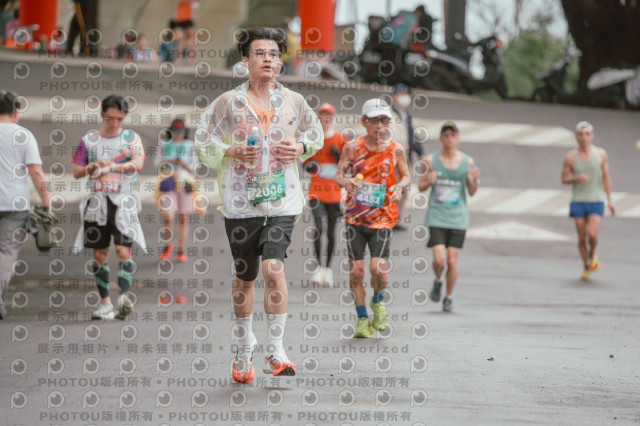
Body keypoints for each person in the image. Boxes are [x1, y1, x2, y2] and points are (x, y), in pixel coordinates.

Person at [196, 27, 322, 383]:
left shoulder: (295, 101)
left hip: (283, 202)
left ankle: (276, 350)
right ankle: (243, 346)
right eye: (260, 53)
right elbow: (203, 141)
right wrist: (231, 151)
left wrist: (300, 147)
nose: (268, 59)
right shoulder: (228, 103)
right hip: (241, 204)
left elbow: (315, 133)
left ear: (280, 62)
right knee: (245, 280)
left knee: (273, 269)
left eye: (273, 54)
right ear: (245, 61)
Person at [334, 99, 410, 338]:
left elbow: (406, 175)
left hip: (383, 218)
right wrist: (346, 182)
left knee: (378, 268)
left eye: (384, 120)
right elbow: (338, 175)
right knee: (356, 272)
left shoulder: (396, 149)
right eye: (375, 120)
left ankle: (378, 300)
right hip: (355, 219)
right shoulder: (352, 148)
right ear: (364, 122)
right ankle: (362, 319)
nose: (380, 125)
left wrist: (400, 186)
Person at [71, 95, 147, 320]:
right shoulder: (89, 140)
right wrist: (93, 167)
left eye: (119, 119)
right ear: (102, 114)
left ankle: (123, 298)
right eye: (110, 118)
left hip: (123, 202)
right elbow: (77, 171)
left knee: (123, 251)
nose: (114, 123)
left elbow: (138, 163)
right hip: (97, 203)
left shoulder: (131, 138)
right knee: (100, 253)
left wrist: (112, 166)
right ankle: (105, 303)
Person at [0, 90, 51, 319]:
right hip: (14, 205)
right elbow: (36, 172)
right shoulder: (24, 135)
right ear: (16, 112)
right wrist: (47, 204)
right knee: (5, 253)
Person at [418, 121, 479, 312]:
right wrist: (429, 180)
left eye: (453, 135)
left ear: (457, 138)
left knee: (452, 260)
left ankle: (449, 296)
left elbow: (472, 192)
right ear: (441, 138)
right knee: (439, 260)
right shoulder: (430, 160)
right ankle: (438, 279)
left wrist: (474, 180)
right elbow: (420, 186)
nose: (449, 138)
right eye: (446, 135)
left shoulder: (468, 162)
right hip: (437, 215)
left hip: (458, 217)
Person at [561, 121, 615, 281]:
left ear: (592, 136)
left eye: (587, 134)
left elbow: (606, 177)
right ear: (576, 137)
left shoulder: (601, 154)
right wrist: (576, 178)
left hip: (596, 200)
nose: (584, 137)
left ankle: (592, 255)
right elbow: (564, 178)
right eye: (580, 134)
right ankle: (586, 267)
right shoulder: (570, 157)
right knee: (581, 237)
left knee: (592, 234)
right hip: (578, 200)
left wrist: (609, 199)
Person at [303, 103, 346, 285]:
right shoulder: (313, 139)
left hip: (334, 193)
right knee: (319, 227)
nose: (325, 119)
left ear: (332, 118)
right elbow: (305, 162)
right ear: (318, 118)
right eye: (322, 116)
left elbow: (348, 164)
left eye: (328, 116)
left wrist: (338, 157)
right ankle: (318, 267)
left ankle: (328, 269)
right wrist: (309, 165)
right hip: (316, 192)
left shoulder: (340, 138)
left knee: (330, 231)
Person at [156, 118, 200, 262]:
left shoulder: (189, 144)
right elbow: (157, 163)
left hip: (185, 182)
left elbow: (195, 166)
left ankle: (181, 249)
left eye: (181, 131)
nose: (178, 134)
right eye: (176, 131)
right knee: (168, 215)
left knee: (183, 217)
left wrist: (182, 164)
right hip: (168, 182)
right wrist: (169, 163)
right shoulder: (164, 144)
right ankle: (168, 245)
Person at [390, 83, 426, 230]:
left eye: (406, 94)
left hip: (405, 158)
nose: (405, 97)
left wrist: (421, 153)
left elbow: (412, 135)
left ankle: (395, 219)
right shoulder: (388, 115)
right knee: (392, 188)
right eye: (401, 94)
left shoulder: (405, 114)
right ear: (394, 96)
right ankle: (387, 218)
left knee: (403, 189)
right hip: (393, 159)